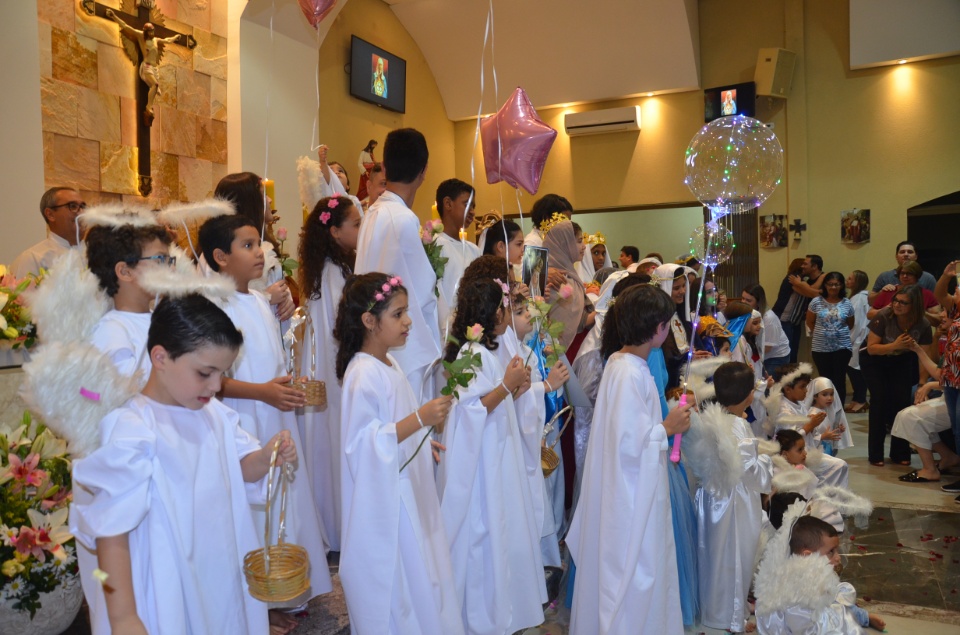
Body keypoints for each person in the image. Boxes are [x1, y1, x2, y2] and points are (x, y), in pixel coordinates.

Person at [70, 294, 293, 635]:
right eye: (205, 372)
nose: (217, 386)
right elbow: (110, 535)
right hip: (164, 585)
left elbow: (239, 469)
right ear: (160, 357)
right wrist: (123, 618)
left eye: (222, 373)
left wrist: (265, 458)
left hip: (217, 573)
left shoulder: (213, 413)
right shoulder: (132, 429)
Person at [199, 215, 332, 610]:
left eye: (258, 243)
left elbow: (270, 356)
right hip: (244, 417)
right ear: (220, 257)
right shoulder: (211, 304)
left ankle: (286, 587)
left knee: (285, 499)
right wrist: (262, 392)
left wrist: (285, 386)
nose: (259, 252)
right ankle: (259, 602)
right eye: (247, 246)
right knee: (255, 505)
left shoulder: (258, 300)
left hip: (275, 414)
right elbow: (208, 377)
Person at [333, 273, 463, 634]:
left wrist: (420, 439)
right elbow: (362, 446)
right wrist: (420, 418)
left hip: (409, 486)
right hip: (392, 501)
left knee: (423, 571)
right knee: (404, 581)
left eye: (406, 313)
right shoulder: (363, 374)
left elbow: (392, 427)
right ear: (369, 321)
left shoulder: (389, 363)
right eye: (398, 314)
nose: (408, 322)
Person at [567, 284, 693, 635]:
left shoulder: (625, 364)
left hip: (637, 485)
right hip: (629, 496)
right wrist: (667, 428)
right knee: (634, 569)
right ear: (658, 328)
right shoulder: (627, 372)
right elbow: (627, 445)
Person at [437, 279, 546, 633]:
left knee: (505, 522)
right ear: (490, 313)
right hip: (483, 458)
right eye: (503, 308)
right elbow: (472, 408)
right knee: (486, 526)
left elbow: (492, 404)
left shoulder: (484, 351)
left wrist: (515, 389)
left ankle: (509, 605)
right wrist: (505, 385)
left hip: (499, 447)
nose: (506, 314)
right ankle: (486, 613)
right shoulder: (472, 353)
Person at [354, 128, 441, 400]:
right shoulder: (402, 219)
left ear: (386, 166)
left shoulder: (372, 212)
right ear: (424, 170)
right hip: (403, 349)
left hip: (373, 338)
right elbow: (423, 292)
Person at [296, 194, 362, 552]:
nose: (361, 230)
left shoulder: (336, 268)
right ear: (335, 232)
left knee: (334, 443)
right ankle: (338, 526)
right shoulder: (333, 273)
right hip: (336, 371)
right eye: (356, 224)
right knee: (335, 441)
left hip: (334, 366)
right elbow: (339, 328)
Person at [689, 363, 772, 633]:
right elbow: (753, 473)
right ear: (750, 394)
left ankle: (711, 608)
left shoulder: (708, 417)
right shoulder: (738, 426)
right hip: (736, 502)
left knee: (711, 553)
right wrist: (768, 462)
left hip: (710, 497)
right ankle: (731, 616)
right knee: (735, 556)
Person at [755, 511, 885, 634]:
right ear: (808, 556)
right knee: (839, 616)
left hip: (816, 612)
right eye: (831, 552)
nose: (838, 557)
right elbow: (805, 631)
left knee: (841, 593)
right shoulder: (798, 595)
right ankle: (857, 616)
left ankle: (860, 616)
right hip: (805, 626)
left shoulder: (812, 573)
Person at [86, 219, 174, 382]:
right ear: (125, 271)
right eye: (161, 260)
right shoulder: (112, 330)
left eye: (170, 260)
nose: (171, 268)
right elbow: (128, 391)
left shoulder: (161, 319)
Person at [860, 284, 934, 466]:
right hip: (874, 358)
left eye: (903, 303)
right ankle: (875, 454)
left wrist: (923, 382)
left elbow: (923, 355)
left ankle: (900, 452)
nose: (897, 305)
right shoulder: (883, 316)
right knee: (880, 399)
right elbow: (872, 348)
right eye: (896, 301)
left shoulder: (923, 324)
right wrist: (895, 345)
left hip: (901, 359)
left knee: (901, 403)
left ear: (914, 306)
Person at [213, 172, 295, 322]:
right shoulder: (220, 253)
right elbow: (219, 305)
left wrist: (287, 300)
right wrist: (266, 298)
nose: (270, 200)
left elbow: (277, 286)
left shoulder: (264, 244)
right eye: (263, 195)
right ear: (248, 203)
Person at [768, 364, 849, 489]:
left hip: (807, 450)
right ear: (788, 389)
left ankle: (826, 499)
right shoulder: (784, 410)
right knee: (838, 466)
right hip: (794, 455)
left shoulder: (799, 404)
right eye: (802, 387)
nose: (806, 390)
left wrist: (813, 427)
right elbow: (787, 441)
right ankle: (817, 497)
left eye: (806, 386)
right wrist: (809, 426)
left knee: (840, 466)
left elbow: (810, 433)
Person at [106, 9, 182, 120]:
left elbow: (167, 41)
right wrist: (114, 16)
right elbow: (127, 27)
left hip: (154, 68)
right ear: (146, 31)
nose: (152, 33)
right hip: (146, 67)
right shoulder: (141, 36)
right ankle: (148, 107)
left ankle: (149, 107)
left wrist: (176, 37)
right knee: (155, 85)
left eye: (152, 31)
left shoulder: (155, 40)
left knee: (155, 88)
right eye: (150, 31)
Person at [434, 178, 481, 331]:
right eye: (467, 204)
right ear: (448, 204)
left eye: (474, 206)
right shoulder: (434, 245)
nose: (473, 211)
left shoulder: (474, 250)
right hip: (446, 329)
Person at [12, 187, 85, 279]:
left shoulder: (96, 254)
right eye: (73, 206)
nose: (82, 212)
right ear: (50, 214)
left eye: (83, 206)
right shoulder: (32, 259)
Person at [806, 271, 855, 406]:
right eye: (830, 284)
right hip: (821, 347)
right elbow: (810, 322)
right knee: (825, 379)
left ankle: (839, 408)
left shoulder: (847, 303)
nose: (833, 287)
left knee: (839, 379)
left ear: (841, 286)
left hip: (842, 347)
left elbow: (850, 324)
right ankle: (825, 407)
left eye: (837, 284)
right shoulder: (816, 302)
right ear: (825, 285)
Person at [933, 261, 960, 498]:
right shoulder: (954, 310)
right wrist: (946, 275)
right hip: (953, 377)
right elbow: (939, 293)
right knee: (958, 428)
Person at [779, 255, 825, 363]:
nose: (803, 266)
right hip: (785, 319)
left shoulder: (803, 281)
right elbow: (812, 292)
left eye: (805, 264)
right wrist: (822, 277)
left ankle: (793, 375)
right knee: (789, 352)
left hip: (795, 321)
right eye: (802, 264)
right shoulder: (792, 279)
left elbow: (810, 290)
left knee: (794, 351)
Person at [868, 260, 940, 324]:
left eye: (909, 273)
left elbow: (938, 320)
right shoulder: (889, 291)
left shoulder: (926, 294)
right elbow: (869, 315)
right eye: (902, 273)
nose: (905, 276)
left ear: (917, 275)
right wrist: (886, 310)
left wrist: (921, 313)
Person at [742, 283, 791, 376]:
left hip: (776, 356)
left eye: (748, 300)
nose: (743, 302)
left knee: (766, 386)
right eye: (743, 298)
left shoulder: (769, 318)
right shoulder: (747, 313)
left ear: (758, 302)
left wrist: (747, 354)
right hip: (761, 352)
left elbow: (768, 347)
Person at [869, 240, 937, 303]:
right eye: (902, 252)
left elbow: (937, 303)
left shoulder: (928, 278)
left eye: (910, 252)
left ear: (916, 256)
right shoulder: (885, 276)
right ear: (896, 256)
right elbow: (870, 302)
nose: (906, 254)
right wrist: (882, 293)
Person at [802, 377, 853, 456]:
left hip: (827, 447)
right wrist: (822, 436)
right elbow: (808, 438)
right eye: (824, 394)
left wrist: (837, 430)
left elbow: (826, 428)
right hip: (817, 450)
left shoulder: (827, 411)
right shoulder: (813, 414)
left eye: (831, 394)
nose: (829, 398)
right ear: (815, 396)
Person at [845, 270, 871, 414]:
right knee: (852, 369)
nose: (847, 281)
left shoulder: (859, 298)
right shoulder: (855, 297)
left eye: (850, 278)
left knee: (856, 370)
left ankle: (860, 400)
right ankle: (857, 398)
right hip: (856, 338)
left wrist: (848, 340)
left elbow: (856, 323)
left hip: (857, 339)